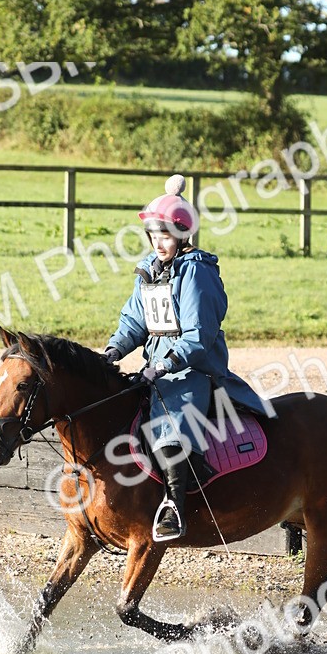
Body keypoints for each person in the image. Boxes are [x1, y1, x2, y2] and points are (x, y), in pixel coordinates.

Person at [104, 174, 268, 542]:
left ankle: (174, 508)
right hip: (155, 369)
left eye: (165, 236)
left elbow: (199, 335)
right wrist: (114, 349)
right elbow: (135, 319)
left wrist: (165, 364)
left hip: (193, 371)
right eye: (154, 236)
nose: (159, 243)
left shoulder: (197, 272)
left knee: (170, 430)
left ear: (181, 235)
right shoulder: (149, 269)